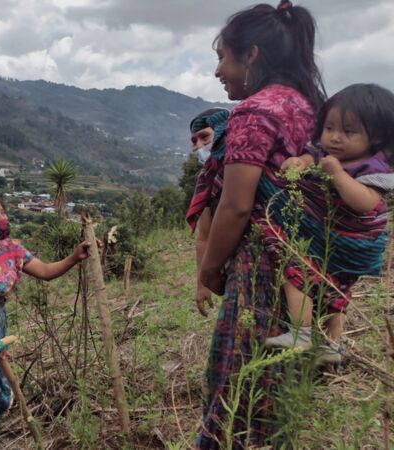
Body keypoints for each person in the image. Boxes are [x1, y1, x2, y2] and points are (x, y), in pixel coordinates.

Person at [196, 1, 325, 447]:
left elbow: (236, 205)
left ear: (251, 55)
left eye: (223, 57)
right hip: (306, 269)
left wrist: (209, 270)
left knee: (238, 389)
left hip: (262, 267)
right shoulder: (311, 107)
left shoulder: (255, 112)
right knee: (278, 397)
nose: (218, 70)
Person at [0, 192, 89, 447]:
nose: (3, 218)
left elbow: (44, 270)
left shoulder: (12, 248)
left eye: (3, 212)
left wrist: (74, 257)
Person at [263, 84, 394, 364]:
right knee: (332, 289)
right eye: (329, 128)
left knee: (297, 270)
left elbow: (366, 202)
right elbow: (310, 157)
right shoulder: (323, 153)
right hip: (324, 233)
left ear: (377, 136)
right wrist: (298, 161)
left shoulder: (375, 167)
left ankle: (306, 335)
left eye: (348, 131)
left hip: (352, 241)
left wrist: (337, 173)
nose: (335, 137)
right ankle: (329, 347)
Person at [185, 107, 230, 317]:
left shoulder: (247, 169)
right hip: (232, 272)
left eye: (205, 137)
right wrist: (202, 284)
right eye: (194, 141)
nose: (199, 145)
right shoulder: (206, 181)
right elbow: (204, 238)